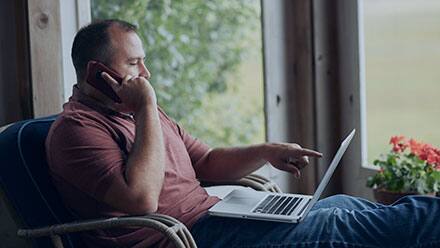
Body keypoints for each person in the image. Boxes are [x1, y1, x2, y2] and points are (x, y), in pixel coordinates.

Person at [46, 19, 440, 248]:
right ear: (98, 71)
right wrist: (146, 107)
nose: (146, 76)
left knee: (345, 206)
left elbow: (204, 161)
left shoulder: (139, 112)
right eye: (135, 63)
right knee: (336, 225)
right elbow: (142, 201)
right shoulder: (76, 130)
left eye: (144, 62)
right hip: (185, 237)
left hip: (213, 217)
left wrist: (265, 151)